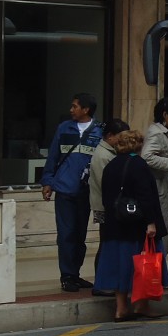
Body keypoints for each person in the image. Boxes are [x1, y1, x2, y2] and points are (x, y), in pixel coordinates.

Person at [95, 129, 166, 321]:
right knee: (142, 267)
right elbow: (145, 196)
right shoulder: (138, 165)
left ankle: (121, 309)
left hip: (116, 225)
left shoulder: (111, 166)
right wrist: (151, 223)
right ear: (137, 145)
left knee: (121, 267)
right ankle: (142, 305)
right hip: (136, 226)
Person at [40, 92, 104, 293]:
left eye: (75, 106)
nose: (71, 109)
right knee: (66, 234)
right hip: (65, 189)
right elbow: (53, 156)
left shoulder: (99, 130)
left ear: (86, 109)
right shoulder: (64, 128)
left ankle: (75, 274)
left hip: (86, 191)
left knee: (79, 235)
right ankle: (67, 276)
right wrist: (47, 182)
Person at [89, 118, 129, 296]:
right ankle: (101, 283)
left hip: (108, 206)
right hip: (105, 208)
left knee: (107, 243)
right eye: (120, 137)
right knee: (106, 244)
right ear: (110, 136)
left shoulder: (110, 152)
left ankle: (105, 281)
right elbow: (107, 184)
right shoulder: (104, 155)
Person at [141, 97, 168, 261]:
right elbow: (147, 156)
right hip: (158, 189)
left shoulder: (163, 133)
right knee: (161, 231)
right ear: (165, 114)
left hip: (162, 187)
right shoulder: (156, 133)